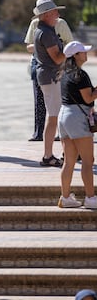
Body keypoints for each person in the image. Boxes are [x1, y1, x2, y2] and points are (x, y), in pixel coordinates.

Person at [58, 41, 97, 209]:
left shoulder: (65, 73)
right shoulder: (80, 75)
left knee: (69, 162)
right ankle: (90, 198)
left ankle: (65, 197)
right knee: (88, 161)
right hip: (76, 118)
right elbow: (88, 98)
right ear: (75, 55)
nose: (85, 53)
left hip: (64, 116)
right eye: (82, 51)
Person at [24, 16, 73, 141]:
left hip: (60, 66)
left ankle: (60, 133)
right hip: (38, 65)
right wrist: (45, 45)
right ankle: (38, 133)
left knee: (60, 101)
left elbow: (70, 44)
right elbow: (28, 46)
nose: (56, 14)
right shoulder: (35, 24)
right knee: (39, 101)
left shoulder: (61, 23)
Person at [33, 0, 66, 167]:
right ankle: (48, 155)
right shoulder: (46, 33)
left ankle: (54, 153)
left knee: (55, 116)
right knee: (54, 117)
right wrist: (70, 51)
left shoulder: (44, 30)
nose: (57, 15)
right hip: (51, 77)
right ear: (46, 15)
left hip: (47, 77)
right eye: (54, 12)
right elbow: (57, 58)